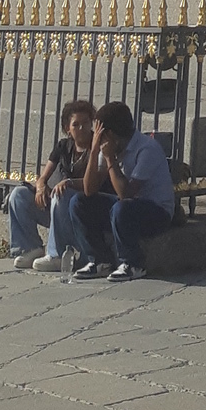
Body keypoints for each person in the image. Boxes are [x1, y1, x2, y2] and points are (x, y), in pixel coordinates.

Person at [63, 100, 176, 281]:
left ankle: (133, 264)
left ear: (110, 135)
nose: (96, 138)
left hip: (156, 212)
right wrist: (94, 152)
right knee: (79, 203)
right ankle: (99, 260)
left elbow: (126, 194)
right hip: (126, 208)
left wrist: (110, 159)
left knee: (121, 208)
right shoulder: (108, 148)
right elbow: (89, 189)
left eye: (100, 135)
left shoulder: (147, 149)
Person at [9, 97, 95, 270]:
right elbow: (43, 176)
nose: (82, 128)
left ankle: (57, 254)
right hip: (55, 207)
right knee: (19, 195)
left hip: (79, 209)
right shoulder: (63, 146)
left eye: (86, 123)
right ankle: (29, 248)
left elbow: (94, 181)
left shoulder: (96, 146)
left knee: (61, 193)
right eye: (76, 124)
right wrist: (41, 188)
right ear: (67, 128)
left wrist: (69, 183)